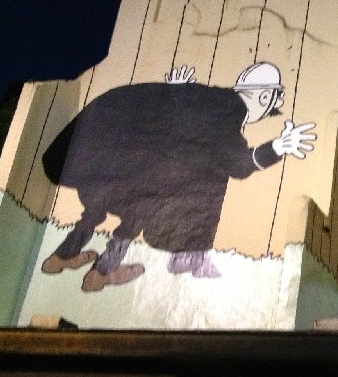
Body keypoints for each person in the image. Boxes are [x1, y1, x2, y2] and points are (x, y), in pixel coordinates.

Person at [40, 62, 316, 292]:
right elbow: (238, 164)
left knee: (108, 201)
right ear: (264, 97)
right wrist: (278, 147)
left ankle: (61, 257)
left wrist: (175, 92)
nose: (276, 105)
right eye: (276, 99)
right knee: (144, 203)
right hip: (107, 159)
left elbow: (176, 116)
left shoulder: (204, 98)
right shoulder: (226, 112)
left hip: (79, 156)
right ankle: (101, 273)